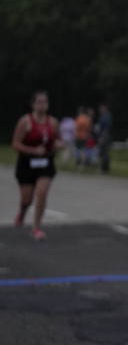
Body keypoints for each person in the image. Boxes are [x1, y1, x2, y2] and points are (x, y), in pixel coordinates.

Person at [12, 91, 63, 241]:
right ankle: (22, 211)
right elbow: (15, 144)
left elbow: (59, 140)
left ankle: (36, 227)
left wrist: (59, 145)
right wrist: (33, 150)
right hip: (27, 164)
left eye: (45, 102)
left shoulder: (53, 122)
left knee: (42, 193)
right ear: (33, 104)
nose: (42, 105)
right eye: (39, 102)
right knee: (27, 200)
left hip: (45, 163)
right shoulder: (25, 122)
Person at [93, 104, 114, 173]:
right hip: (103, 137)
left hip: (105, 137)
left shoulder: (107, 116)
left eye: (101, 109)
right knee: (103, 153)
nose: (100, 110)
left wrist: (102, 137)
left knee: (104, 153)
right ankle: (105, 168)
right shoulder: (103, 116)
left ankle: (104, 168)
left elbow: (106, 129)